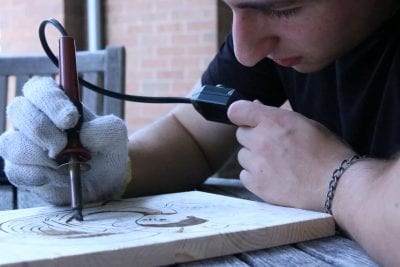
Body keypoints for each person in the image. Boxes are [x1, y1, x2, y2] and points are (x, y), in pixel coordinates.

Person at [0, 0, 399, 265]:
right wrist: (109, 170)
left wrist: (334, 180)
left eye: (283, 8)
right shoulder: (264, 37)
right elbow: (192, 134)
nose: (245, 50)